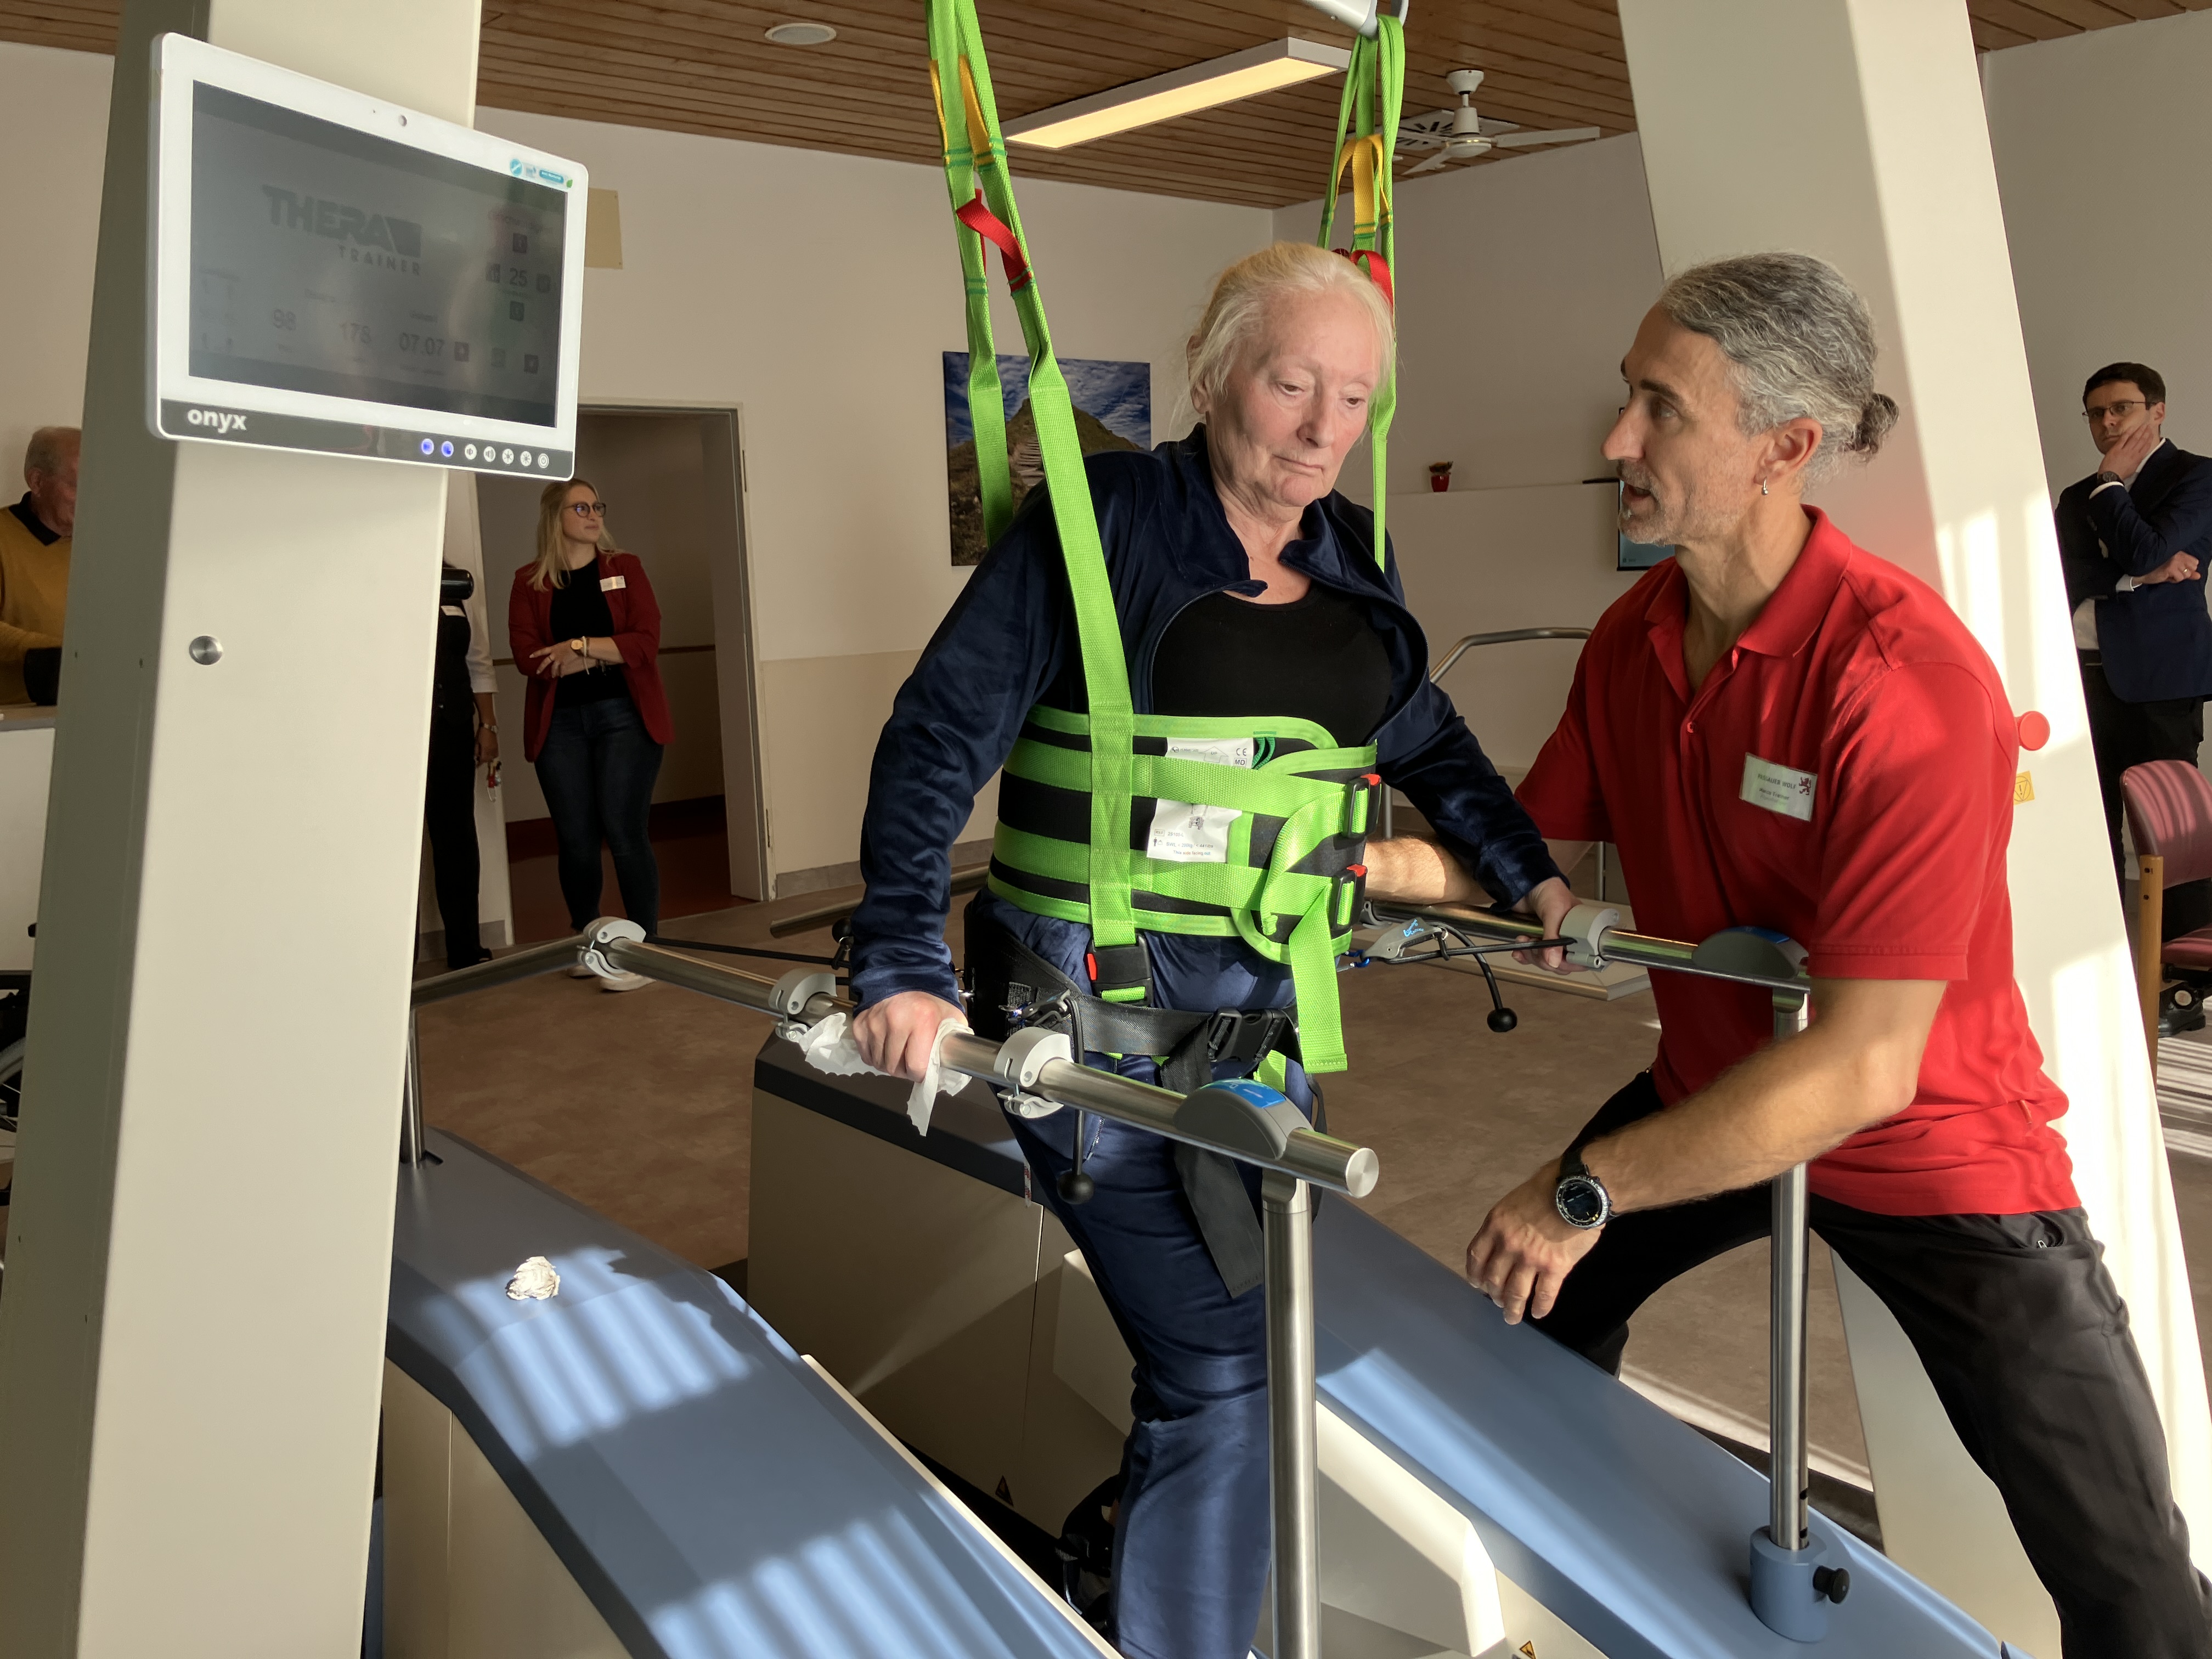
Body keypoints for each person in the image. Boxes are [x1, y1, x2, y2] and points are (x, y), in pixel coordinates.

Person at [1468, 253, 2210, 1656]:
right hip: (1717, 1090)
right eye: (1628, 397)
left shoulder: (1901, 680)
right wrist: (1376, 858)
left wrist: (1585, 1186)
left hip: (1928, 1142)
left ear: (1784, 447)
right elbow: (1523, 846)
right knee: (1527, 1330)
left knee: (2125, 1571)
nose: (1617, 440)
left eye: (1661, 409)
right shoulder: (1633, 639)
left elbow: (1867, 1068)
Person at [848, 241, 1575, 1659]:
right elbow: (937, 736)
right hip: (1092, 1024)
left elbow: (1428, 735)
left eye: (1352, 399)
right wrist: (899, 959)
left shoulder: (1350, 556)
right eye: (1292, 385)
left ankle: (1124, 1556)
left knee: (1260, 1333)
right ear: (1212, 373)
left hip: (1263, 1035)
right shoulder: (1099, 524)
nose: (1321, 430)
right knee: (1226, 1369)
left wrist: (1529, 871)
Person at [2056, 361, 2212, 933]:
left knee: (2170, 833)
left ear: (2158, 411)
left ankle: (2185, 963)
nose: (2108, 422)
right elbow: (2061, 576)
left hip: (2160, 679)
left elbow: (2146, 549)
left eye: (2121, 409)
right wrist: (2135, 577)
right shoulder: (2076, 496)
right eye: (2096, 413)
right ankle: (2095, 945)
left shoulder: (2197, 476)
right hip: (2080, 677)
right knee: (2087, 823)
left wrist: (2112, 485)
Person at [508, 478, 673, 992]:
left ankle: (645, 950)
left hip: (625, 717)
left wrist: (577, 648)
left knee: (624, 832)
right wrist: (605, 652)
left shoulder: (625, 568)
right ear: (554, 517)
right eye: (580, 507)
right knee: (576, 839)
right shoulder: (529, 581)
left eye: (597, 505)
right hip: (560, 725)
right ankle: (590, 943)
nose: (593, 514)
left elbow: (645, 642)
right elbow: (528, 658)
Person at [425, 562, 500, 972]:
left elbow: (478, 662)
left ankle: (465, 948)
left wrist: (487, 725)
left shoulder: (456, 584)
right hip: (397, 736)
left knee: (456, 836)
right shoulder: (377, 573)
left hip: (453, 727)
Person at [0, 426, 78, 705]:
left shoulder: (111, 546)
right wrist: (63, 652)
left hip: (96, 711)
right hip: (18, 719)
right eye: (78, 484)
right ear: (37, 482)